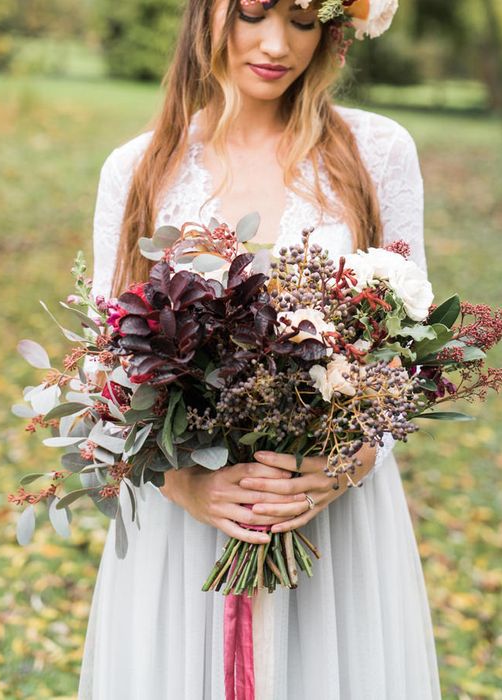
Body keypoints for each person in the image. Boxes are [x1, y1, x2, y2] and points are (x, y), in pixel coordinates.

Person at [79, 0, 441, 696]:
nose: (278, 43)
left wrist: (346, 464)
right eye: (252, 12)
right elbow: (107, 367)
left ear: (332, 29)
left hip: (332, 522)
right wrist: (190, 486)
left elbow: (410, 348)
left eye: (304, 21)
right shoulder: (138, 170)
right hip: (187, 532)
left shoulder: (377, 153)